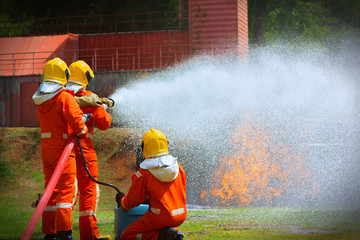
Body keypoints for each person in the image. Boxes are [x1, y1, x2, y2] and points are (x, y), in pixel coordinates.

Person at [32, 57, 88, 240]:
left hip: (46, 149)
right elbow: (75, 120)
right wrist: (83, 127)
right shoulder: (64, 96)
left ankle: (50, 232)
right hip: (62, 150)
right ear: (63, 74)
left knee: (50, 189)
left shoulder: (41, 97)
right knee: (66, 190)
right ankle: (65, 232)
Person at [66, 60, 114, 240]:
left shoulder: (61, 96)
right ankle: (90, 235)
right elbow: (104, 123)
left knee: (67, 191)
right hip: (84, 151)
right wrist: (102, 107)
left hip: (65, 151)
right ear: (85, 78)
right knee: (88, 191)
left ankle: (62, 231)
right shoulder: (89, 97)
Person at [116, 128, 187, 240]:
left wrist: (122, 201)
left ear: (145, 147)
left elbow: (133, 200)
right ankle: (174, 234)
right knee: (164, 227)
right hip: (180, 216)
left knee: (127, 235)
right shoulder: (178, 167)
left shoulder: (145, 172)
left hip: (159, 218)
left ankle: (164, 236)